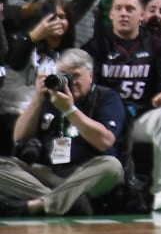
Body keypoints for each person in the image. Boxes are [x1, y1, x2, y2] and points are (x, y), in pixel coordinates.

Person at [85, 0, 161, 212]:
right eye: (118, 8)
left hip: (140, 118)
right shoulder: (96, 46)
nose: (123, 13)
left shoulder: (157, 45)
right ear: (110, 15)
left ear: (141, 15)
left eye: (130, 9)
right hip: (105, 121)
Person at [0, 48, 126, 217]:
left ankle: (37, 205)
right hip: (46, 173)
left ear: (91, 75)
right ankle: (69, 202)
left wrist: (69, 110)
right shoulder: (50, 96)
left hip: (84, 174)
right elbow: (19, 138)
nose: (69, 82)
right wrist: (38, 99)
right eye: (64, 76)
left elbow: (105, 141)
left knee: (113, 167)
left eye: (75, 76)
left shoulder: (106, 97)